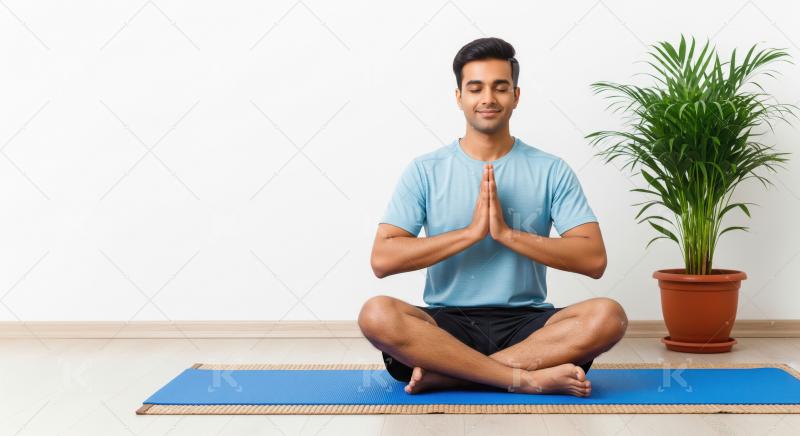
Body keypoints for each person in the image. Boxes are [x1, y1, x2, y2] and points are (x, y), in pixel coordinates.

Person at [358, 37, 627, 397]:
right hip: (446, 324)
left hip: (529, 325)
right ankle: (524, 378)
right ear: (459, 98)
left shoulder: (551, 170)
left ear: (516, 96)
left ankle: (454, 374)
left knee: (609, 317)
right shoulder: (425, 170)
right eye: (476, 88)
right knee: (375, 314)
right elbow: (382, 260)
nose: (488, 98)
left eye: (500, 87)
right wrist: (470, 233)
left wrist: (507, 234)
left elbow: (593, 260)